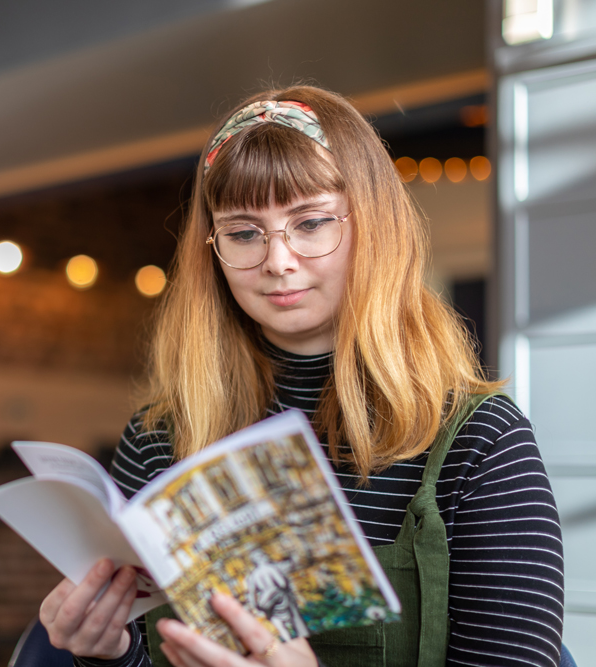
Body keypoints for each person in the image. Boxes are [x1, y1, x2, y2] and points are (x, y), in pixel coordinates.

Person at [38, 86, 564, 666]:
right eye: (243, 233)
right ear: (212, 250)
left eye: (311, 223)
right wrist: (106, 652)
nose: (278, 260)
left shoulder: (480, 440)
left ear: (374, 228)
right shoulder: (158, 436)